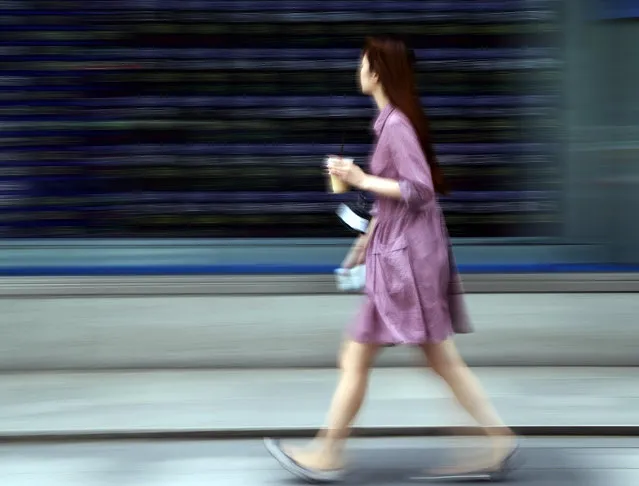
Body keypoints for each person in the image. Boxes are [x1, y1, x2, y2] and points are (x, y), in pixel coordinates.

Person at [265, 35, 519, 483]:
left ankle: (328, 453)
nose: (357, 69)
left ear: (377, 71)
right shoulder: (390, 123)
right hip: (402, 255)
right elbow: (396, 199)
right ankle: (494, 439)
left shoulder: (396, 125)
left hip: (409, 263)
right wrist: (365, 239)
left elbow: (418, 191)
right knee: (421, 358)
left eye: (362, 62)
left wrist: (359, 178)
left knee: (366, 353)